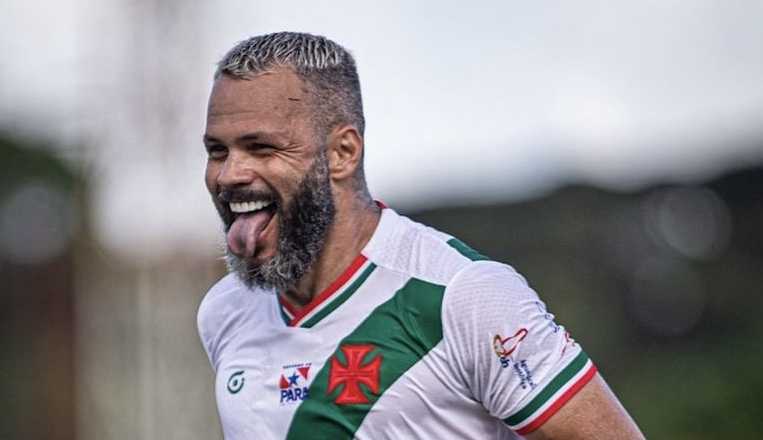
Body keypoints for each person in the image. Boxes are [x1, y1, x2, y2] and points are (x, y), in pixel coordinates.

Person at [197, 31, 645, 439]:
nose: (230, 174)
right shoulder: (225, 312)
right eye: (218, 151)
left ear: (342, 153)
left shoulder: (462, 296)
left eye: (262, 148)